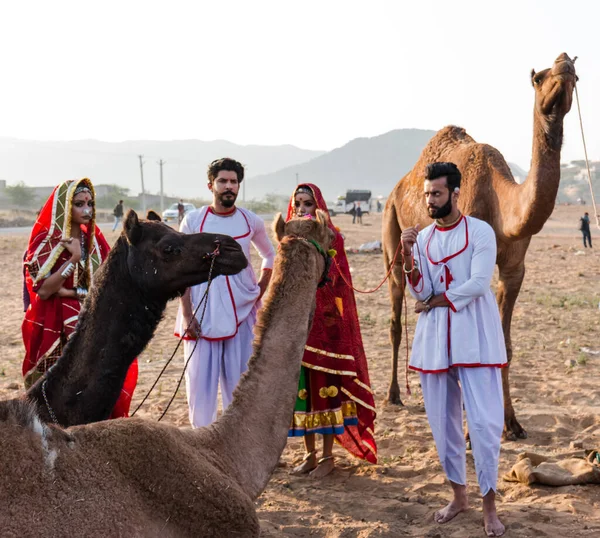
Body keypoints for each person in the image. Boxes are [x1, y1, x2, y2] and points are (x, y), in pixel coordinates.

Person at [401, 162, 506, 537]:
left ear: (455, 193)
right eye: (427, 194)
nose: (430, 200)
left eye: (437, 194)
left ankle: (489, 507)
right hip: (435, 342)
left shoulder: (481, 232)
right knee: (442, 424)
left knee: (483, 423)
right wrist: (409, 256)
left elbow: (478, 283)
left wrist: (436, 301)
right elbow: (420, 290)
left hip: (474, 337)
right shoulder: (424, 238)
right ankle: (459, 497)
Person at [22, 178, 138, 418]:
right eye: (79, 204)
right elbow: (43, 291)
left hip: (90, 325)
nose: (87, 209)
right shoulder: (46, 243)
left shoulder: (95, 243)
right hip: (53, 328)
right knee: (54, 398)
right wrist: (73, 260)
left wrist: (68, 292)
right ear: (65, 207)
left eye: (90, 203)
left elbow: (102, 287)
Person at [175, 158, 276, 427]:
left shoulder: (250, 221)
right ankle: (202, 445)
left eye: (234, 182)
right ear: (211, 185)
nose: (229, 187)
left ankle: (238, 448)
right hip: (201, 312)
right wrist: (187, 314)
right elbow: (181, 269)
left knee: (239, 384)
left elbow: (270, 256)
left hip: (242, 312)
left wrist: (259, 291)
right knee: (199, 385)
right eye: (223, 181)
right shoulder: (194, 220)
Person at [286, 183, 377, 478]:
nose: (302, 209)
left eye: (308, 203)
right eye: (298, 203)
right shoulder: (288, 239)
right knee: (304, 392)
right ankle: (309, 455)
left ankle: (327, 457)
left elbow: (337, 280)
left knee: (326, 391)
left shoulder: (331, 236)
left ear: (318, 206)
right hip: (300, 326)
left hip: (326, 328)